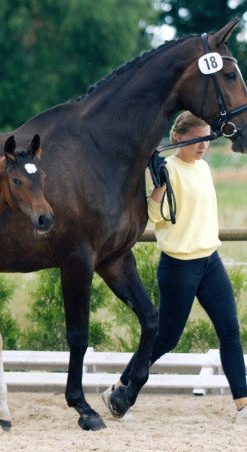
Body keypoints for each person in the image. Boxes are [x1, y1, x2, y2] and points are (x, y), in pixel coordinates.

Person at [102, 111, 247, 423]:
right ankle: (121, 386)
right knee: (166, 338)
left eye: (207, 138)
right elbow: (155, 216)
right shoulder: (167, 168)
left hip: (210, 260)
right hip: (179, 266)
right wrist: (157, 187)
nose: (203, 146)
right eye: (198, 139)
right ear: (179, 137)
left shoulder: (205, 168)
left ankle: (243, 405)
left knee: (230, 331)